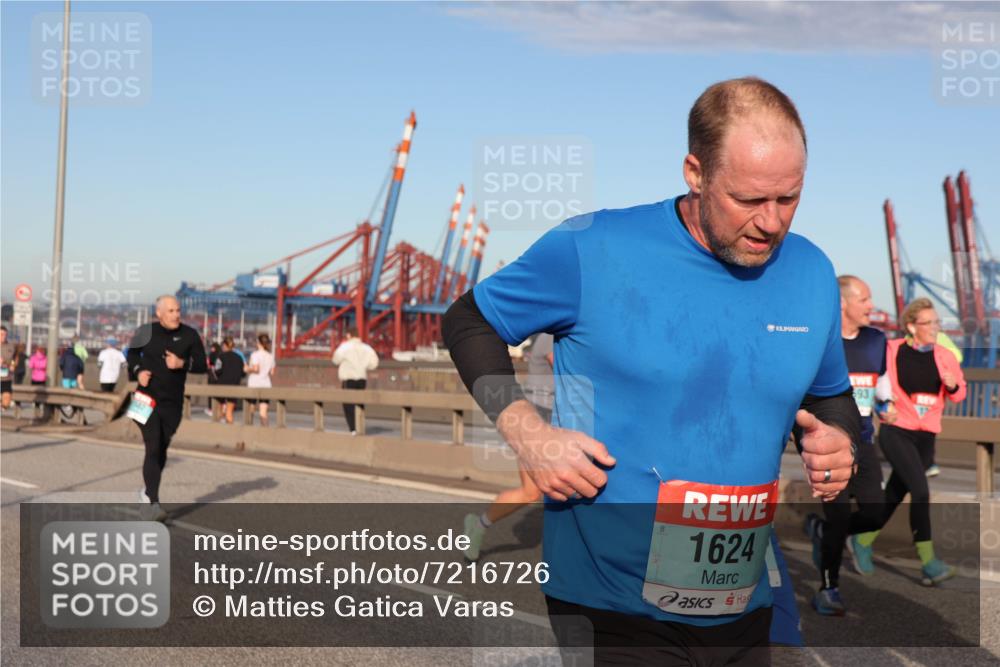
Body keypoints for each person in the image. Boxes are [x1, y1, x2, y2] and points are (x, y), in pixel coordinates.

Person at [443, 77, 858, 665]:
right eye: (748, 200)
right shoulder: (594, 248)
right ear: (695, 171)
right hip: (612, 602)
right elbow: (468, 321)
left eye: (788, 198)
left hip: (744, 595)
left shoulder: (813, 272)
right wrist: (526, 432)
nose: (771, 223)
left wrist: (838, 439)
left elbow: (832, 397)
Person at [851, 298, 965, 586]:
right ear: (912, 326)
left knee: (894, 494)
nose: (936, 328)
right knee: (921, 491)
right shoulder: (891, 350)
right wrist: (880, 407)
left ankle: (859, 539)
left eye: (937, 322)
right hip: (896, 430)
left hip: (926, 437)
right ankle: (928, 563)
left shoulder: (944, 356)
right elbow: (875, 380)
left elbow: (960, 393)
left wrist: (952, 384)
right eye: (929, 323)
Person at [803, 276, 893, 615]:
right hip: (828, 443)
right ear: (843, 303)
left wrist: (888, 403)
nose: (872, 305)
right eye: (866, 299)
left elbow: (879, 384)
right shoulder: (821, 341)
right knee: (839, 515)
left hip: (866, 440)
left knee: (874, 512)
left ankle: (824, 532)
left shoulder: (876, 340)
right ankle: (828, 589)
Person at [461, 333, 551, 561]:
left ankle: (479, 525)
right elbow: (565, 368)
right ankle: (479, 525)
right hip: (536, 420)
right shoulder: (551, 336)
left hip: (555, 420)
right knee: (534, 491)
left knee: (541, 491)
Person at [126, 295, 207, 522]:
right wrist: (138, 371)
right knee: (152, 446)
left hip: (173, 403)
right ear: (159, 313)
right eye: (170, 311)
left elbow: (202, 364)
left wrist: (181, 364)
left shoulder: (190, 335)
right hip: (144, 399)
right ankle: (153, 503)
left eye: (178, 310)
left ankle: (146, 493)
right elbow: (131, 354)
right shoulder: (146, 331)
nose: (176, 315)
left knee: (161, 450)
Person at [332, 328, 378, 435]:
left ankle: (353, 429)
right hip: (362, 378)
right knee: (360, 403)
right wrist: (364, 366)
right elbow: (374, 363)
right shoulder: (367, 348)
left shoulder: (345, 347)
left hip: (348, 378)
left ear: (349, 335)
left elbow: (335, 360)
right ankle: (360, 426)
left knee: (348, 405)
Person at [245, 333, 276, 426]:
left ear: (258, 342)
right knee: (263, 413)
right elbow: (272, 373)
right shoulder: (271, 356)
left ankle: (249, 431)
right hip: (266, 385)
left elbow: (256, 369)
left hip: (254, 384)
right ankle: (265, 434)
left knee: (250, 410)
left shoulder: (255, 355)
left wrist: (247, 369)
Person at [215, 337, 245, 424]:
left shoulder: (220, 356)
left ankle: (218, 430)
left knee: (219, 410)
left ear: (224, 345)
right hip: (234, 385)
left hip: (221, 385)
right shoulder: (239, 358)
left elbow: (217, 370)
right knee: (229, 412)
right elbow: (243, 373)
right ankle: (230, 432)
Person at [0, 326, 13, 410]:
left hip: (6, 377)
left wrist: (12, 365)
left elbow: (14, 359)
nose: (3, 336)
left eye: (5, 334)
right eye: (1, 334)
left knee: (6, 403)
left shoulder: (11, 347)